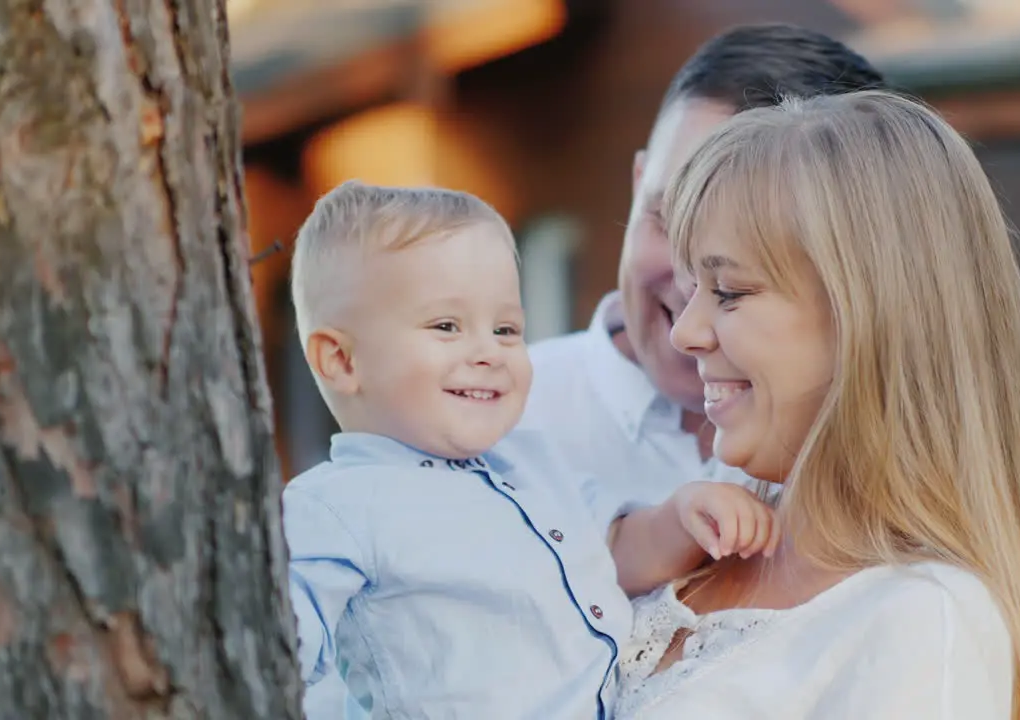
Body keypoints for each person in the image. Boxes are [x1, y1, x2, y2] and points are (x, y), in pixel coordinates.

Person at [612, 92, 1020, 719]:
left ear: (869, 318)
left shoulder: (927, 620)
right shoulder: (690, 533)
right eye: (692, 288)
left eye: (729, 292)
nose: (687, 332)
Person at [282, 181, 778, 719]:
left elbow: (612, 549)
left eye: (506, 328)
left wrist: (683, 517)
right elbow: (278, 656)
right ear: (341, 360)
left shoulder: (531, 463)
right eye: (446, 326)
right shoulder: (330, 508)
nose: (488, 352)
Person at [522, 23, 886, 512]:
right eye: (667, 219)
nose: (690, 284)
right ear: (637, 184)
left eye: (750, 248)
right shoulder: (498, 424)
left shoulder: (894, 452)